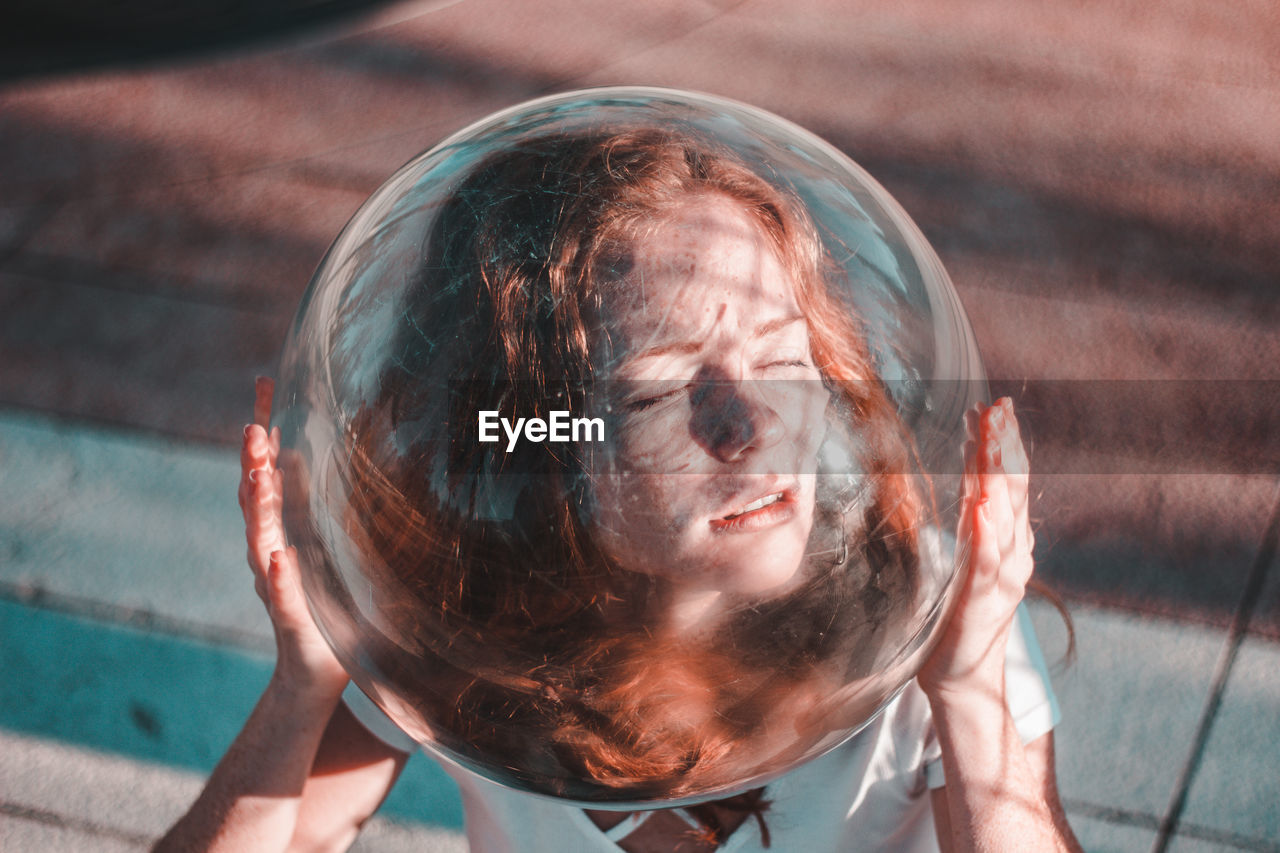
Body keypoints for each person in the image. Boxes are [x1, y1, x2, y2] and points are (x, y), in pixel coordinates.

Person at [157, 128, 1083, 852]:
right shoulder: (471, 616)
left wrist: (967, 691)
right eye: (661, 390)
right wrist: (307, 678)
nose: (752, 427)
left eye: (783, 357)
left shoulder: (923, 602)